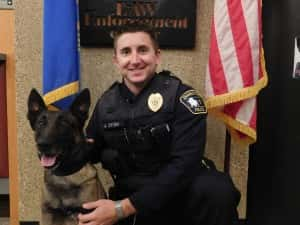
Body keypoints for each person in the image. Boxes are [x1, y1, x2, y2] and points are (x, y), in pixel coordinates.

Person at [78, 24, 240, 225]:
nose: (135, 60)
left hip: (180, 192)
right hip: (132, 192)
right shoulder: (106, 105)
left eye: (143, 50)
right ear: (116, 60)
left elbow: (183, 167)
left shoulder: (183, 98)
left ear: (157, 56)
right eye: (126, 52)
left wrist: (122, 208)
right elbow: (88, 152)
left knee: (216, 189)